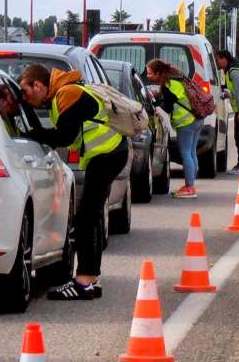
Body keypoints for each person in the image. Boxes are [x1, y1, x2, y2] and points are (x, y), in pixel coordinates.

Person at [19, 64, 128, 300]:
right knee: (93, 216)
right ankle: (91, 279)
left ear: (38, 85)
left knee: (87, 218)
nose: (26, 99)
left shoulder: (66, 94)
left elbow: (64, 137)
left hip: (106, 154)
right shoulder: (66, 91)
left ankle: (83, 281)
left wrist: (30, 134)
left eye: (26, 92)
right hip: (110, 154)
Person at [145, 59, 204, 199]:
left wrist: (155, 107)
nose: (147, 76)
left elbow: (168, 105)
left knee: (185, 154)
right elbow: (172, 100)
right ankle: (190, 184)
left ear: (158, 73)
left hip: (186, 122)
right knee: (191, 152)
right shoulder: (175, 79)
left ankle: (190, 187)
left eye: (149, 73)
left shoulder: (168, 84)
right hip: (197, 118)